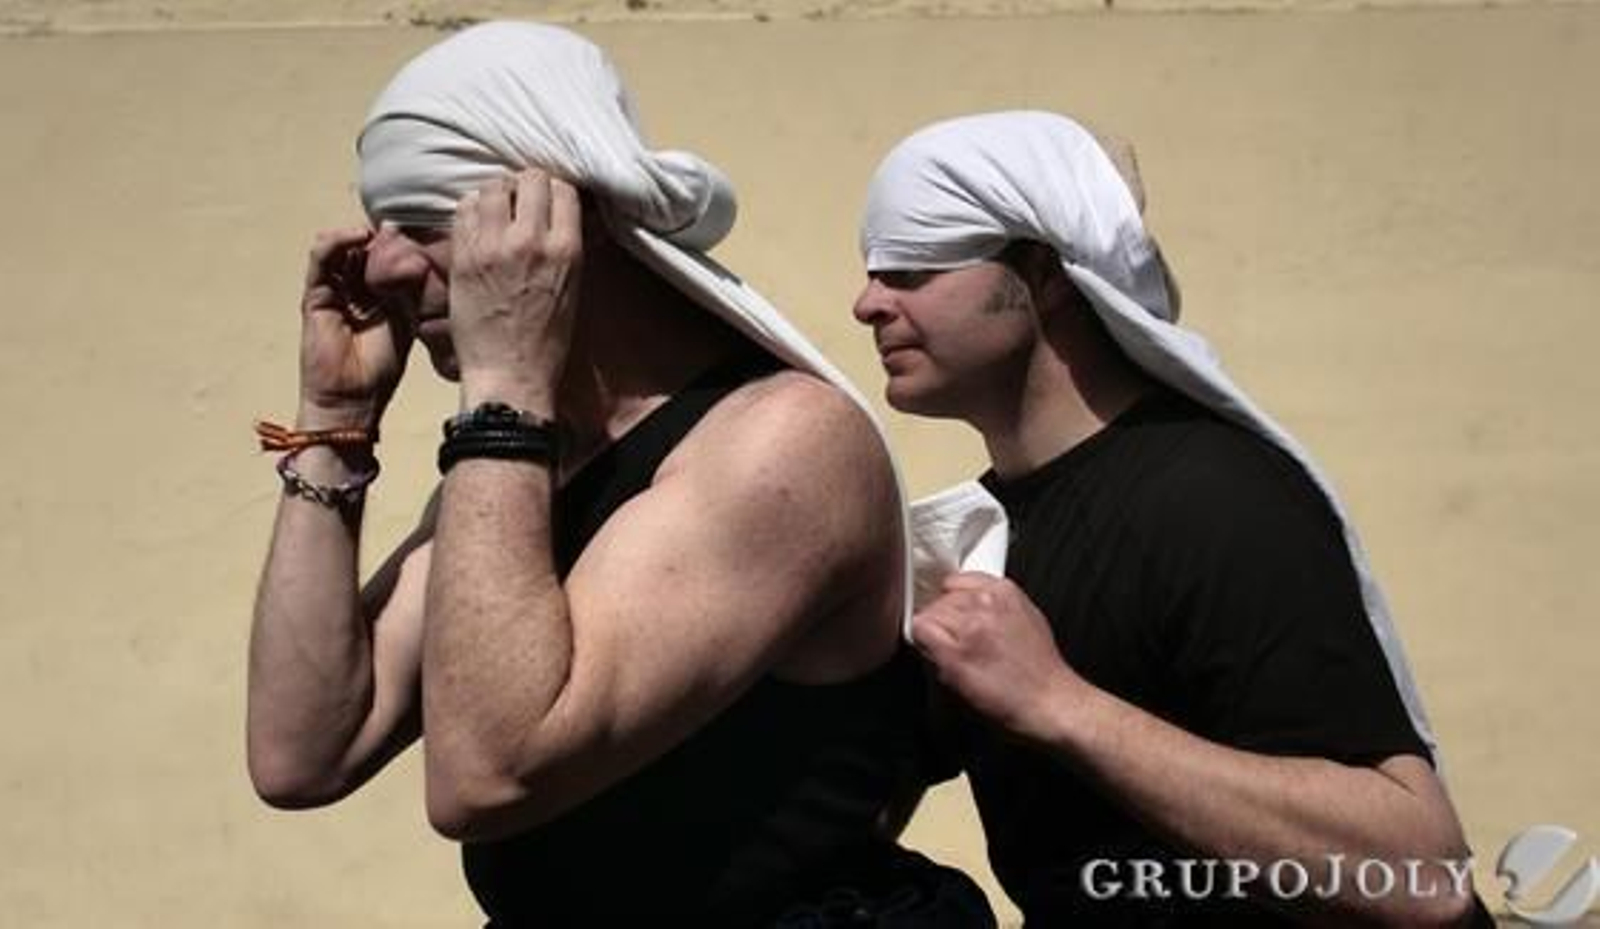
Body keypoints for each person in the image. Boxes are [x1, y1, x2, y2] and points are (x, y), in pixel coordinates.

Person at [246, 22, 994, 927]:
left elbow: (486, 773)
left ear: (569, 225)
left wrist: (508, 380)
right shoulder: (524, 468)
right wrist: (333, 418)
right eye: (380, 225)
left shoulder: (784, 443)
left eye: (428, 224)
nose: (388, 264)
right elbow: (299, 751)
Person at [853, 111, 1492, 926]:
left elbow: (1419, 876)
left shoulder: (1214, 498)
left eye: (910, 268)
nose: (866, 303)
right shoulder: (986, 536)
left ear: (1044, 273)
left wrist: (1059, 703)